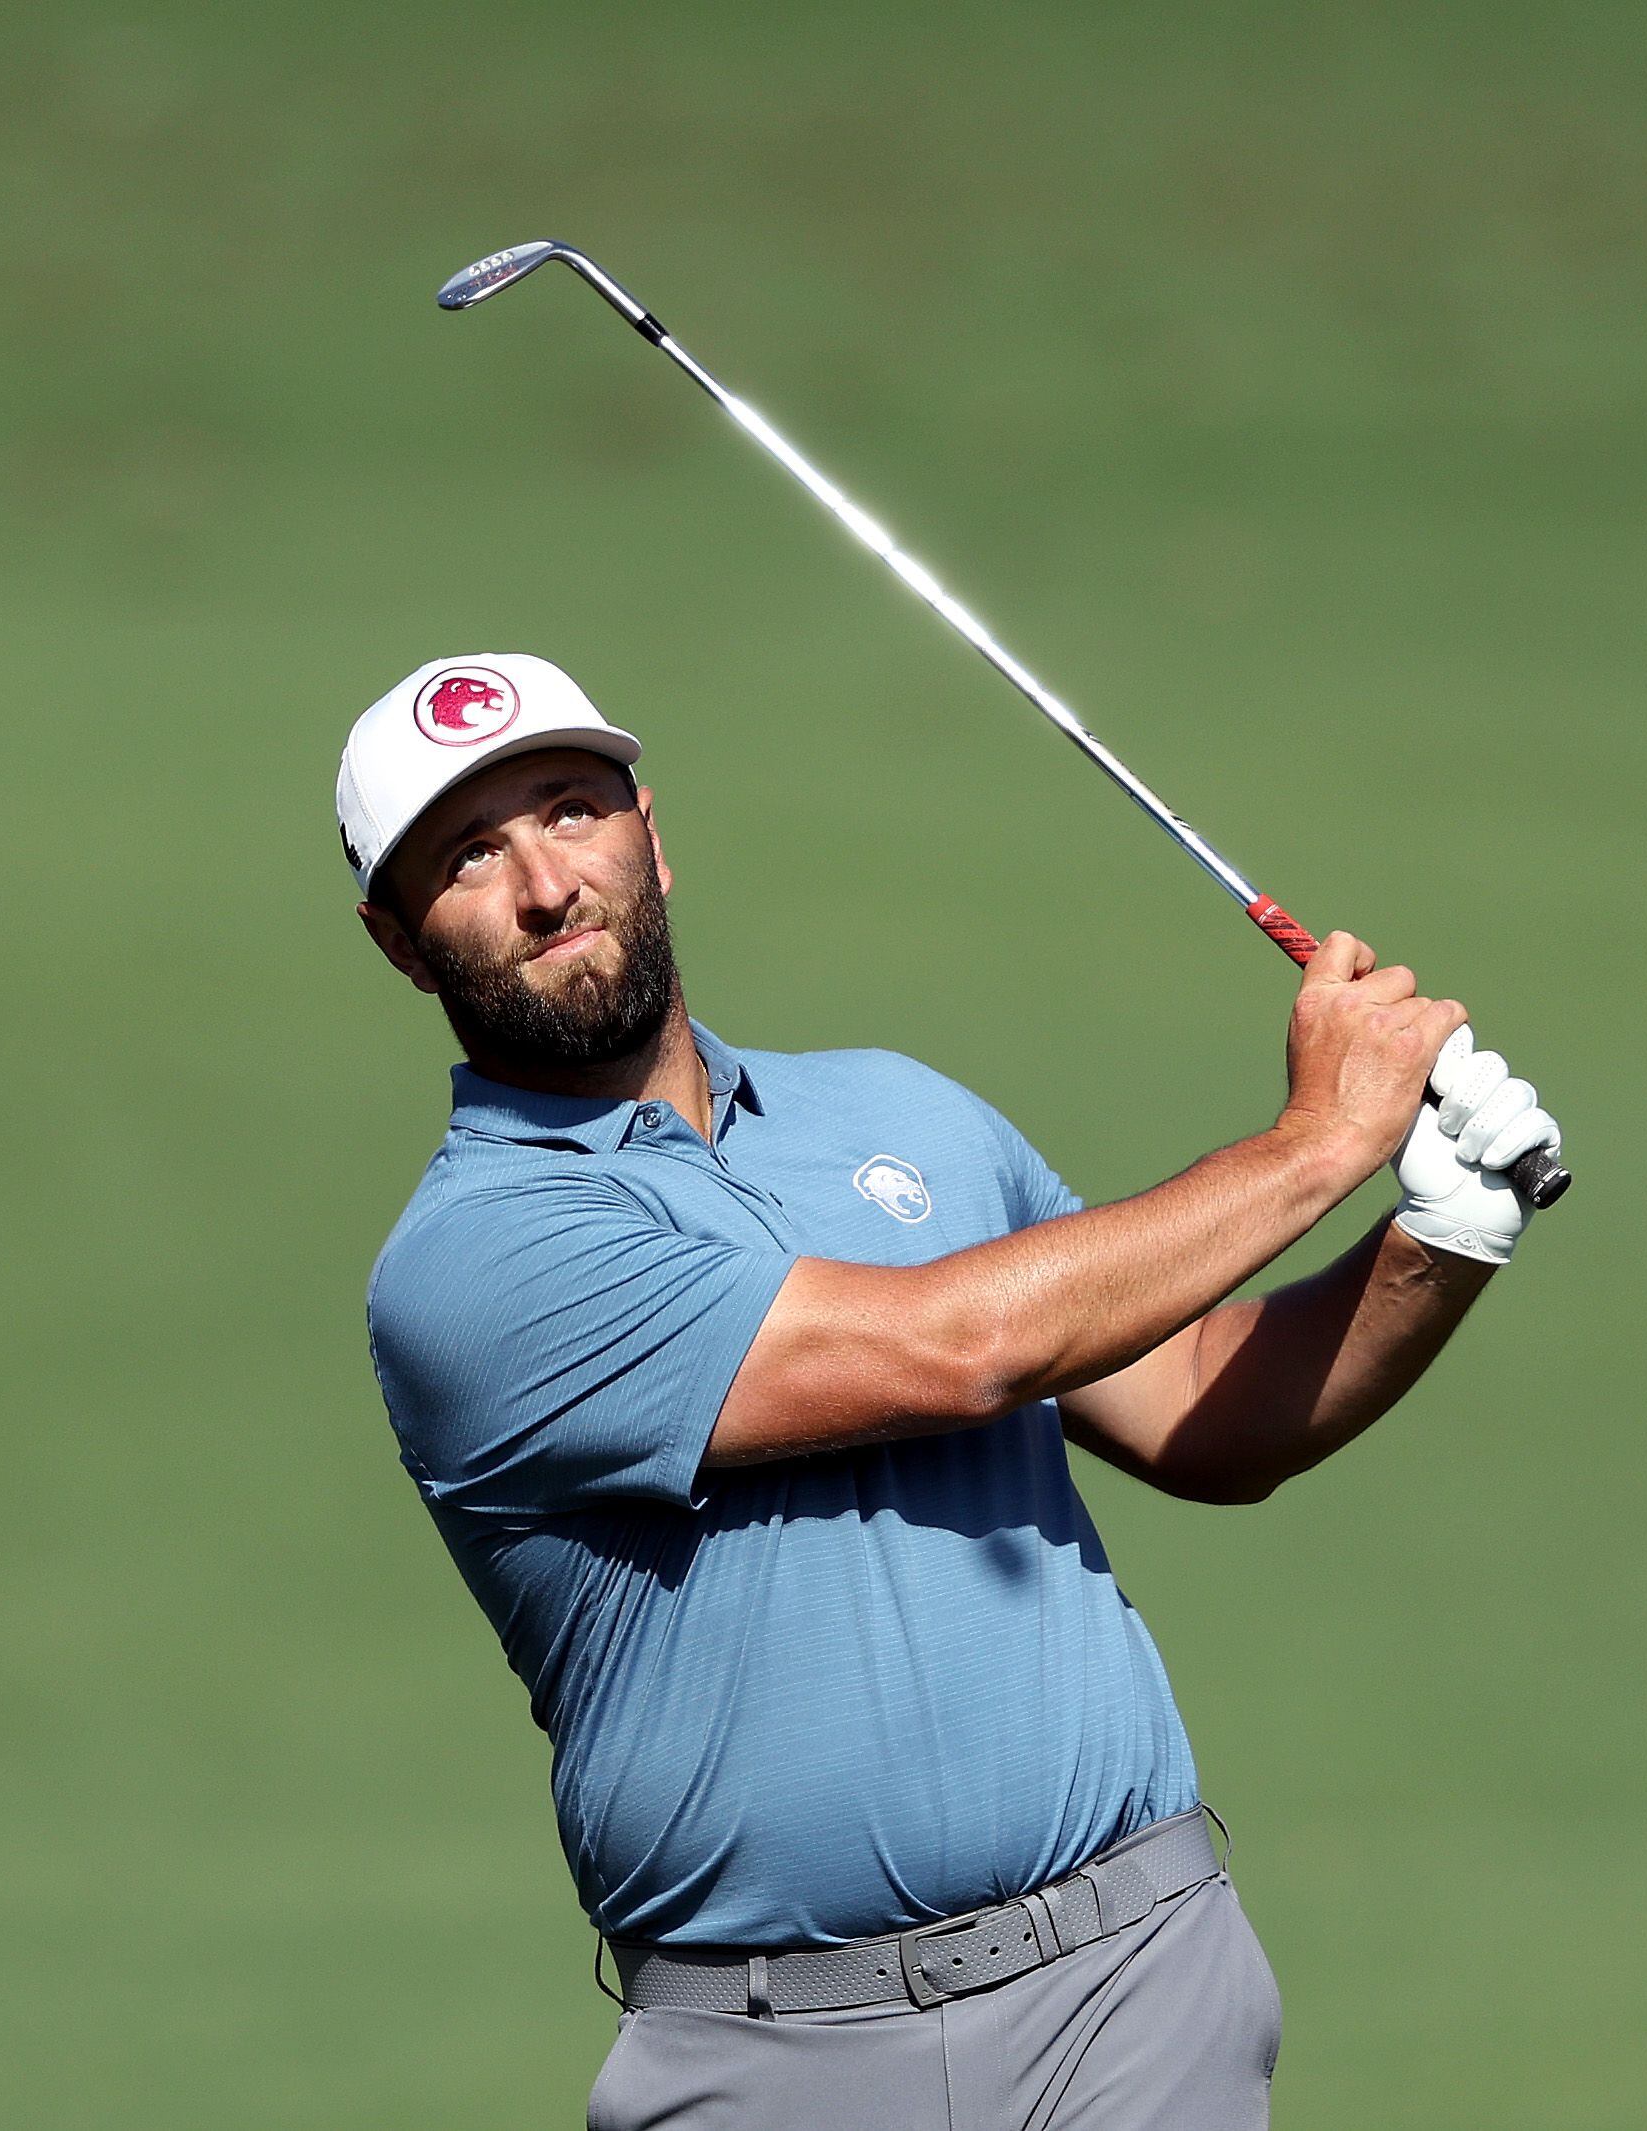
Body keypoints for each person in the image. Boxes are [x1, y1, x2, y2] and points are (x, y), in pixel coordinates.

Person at [336, 653, 1562, 2129]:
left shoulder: (900, 1112)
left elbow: (1193, 1414)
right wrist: (1318, 1141)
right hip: (776, 2052)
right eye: (471, 857)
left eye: (570, 813)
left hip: (1131, 1986)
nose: (547, 884)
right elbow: (947, 1352)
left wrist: (1441, 1233)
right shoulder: (474, 1261)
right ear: (400, 943)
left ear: (652, 835)